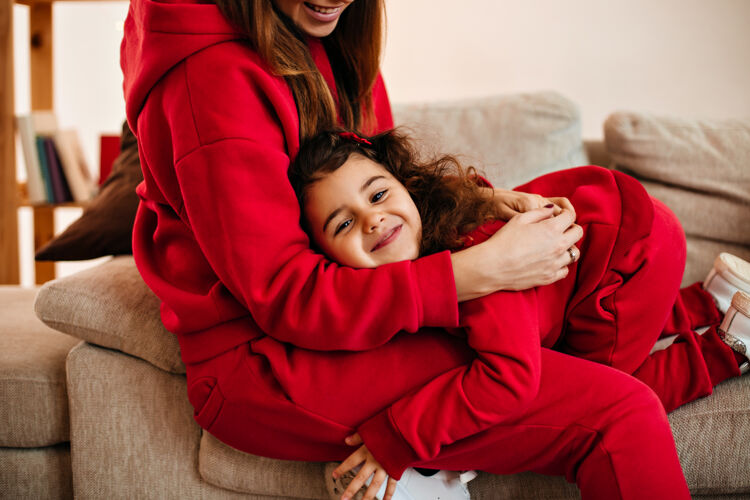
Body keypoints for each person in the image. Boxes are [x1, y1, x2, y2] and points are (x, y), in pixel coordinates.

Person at [120, 1, 748, 499]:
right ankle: (718, 341)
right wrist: (475, 272)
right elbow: (286, 293)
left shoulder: (320, 29)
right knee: (618, 412)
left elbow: (390, 180)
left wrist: (485, 206)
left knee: (589, 284)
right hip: (270, 357)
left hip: (365, 299)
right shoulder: (209, 79)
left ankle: (709, 323)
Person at [287, 128, 750, 499]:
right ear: (325, 259)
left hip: (627, 256)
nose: (372, 220)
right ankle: (707, 301)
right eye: (343, 223)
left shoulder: (478, 269)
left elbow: (510, 379)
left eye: (378, 194)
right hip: (607, 244)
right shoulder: (411, 274)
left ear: (407, 187)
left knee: (600, 396)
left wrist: (398, 435)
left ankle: (728, 347)